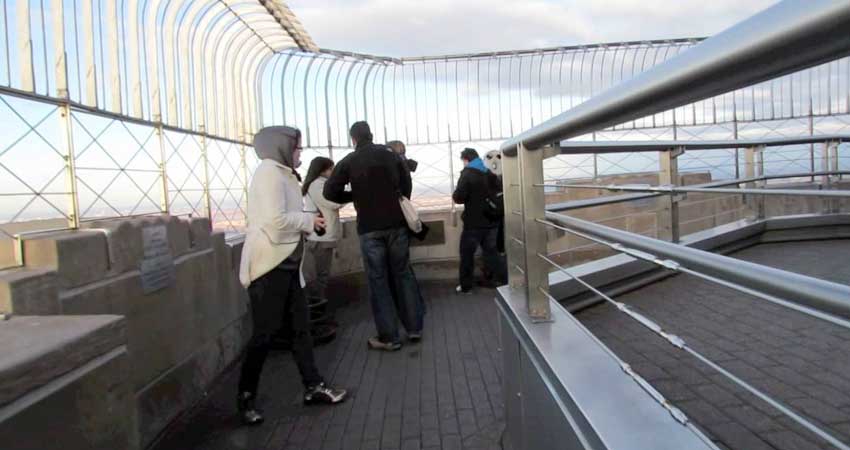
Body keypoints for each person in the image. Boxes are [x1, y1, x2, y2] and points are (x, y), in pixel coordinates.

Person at [237, 126, 347, 426]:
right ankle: (245, 397)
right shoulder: (270, 174)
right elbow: (274, 221)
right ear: (283, 148)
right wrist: (309, 220)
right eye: (297, 148)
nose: (300, 153)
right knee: (265, 334)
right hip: (269, 267)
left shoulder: (283, 174)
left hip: (287, 265)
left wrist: (309, 223)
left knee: (301, 330)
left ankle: (313, 387)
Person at [324, 121, 423, 351]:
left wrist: (354, 196)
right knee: (403, 274)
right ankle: (414, 328)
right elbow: (406, 183)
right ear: (372, 135)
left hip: (369, 229)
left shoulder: (349, 160)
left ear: (354, 139)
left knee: (378, 281)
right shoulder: (390, 155)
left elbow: (330, 191)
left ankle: (389, 337)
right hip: (397, 225)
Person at [452, 147, 507, 294]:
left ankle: (466, 286)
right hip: (493, 221)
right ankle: (503, 281)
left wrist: (456, 193)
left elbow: (459, 197)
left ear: (465, 160)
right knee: (492, 253)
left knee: (467, 255)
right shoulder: (489, 172)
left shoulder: (468, 173)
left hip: (474, 224)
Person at [302, 156, 345, 321]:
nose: (332, 173)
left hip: (320, 236)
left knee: (321, 276)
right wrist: (349, 195)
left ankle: (318, 310)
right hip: (321, 238)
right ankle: (319, 312)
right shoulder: (317, 185)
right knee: (321, 277)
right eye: (330, 169)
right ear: (322, 170)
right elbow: (332, 203)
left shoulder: (315, 184)